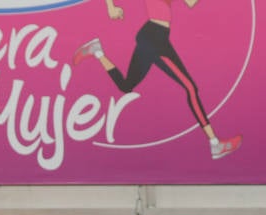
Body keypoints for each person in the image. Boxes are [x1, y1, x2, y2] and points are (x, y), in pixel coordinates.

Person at [73, 0, 241, 160]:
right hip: (155, 39)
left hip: (152, 37)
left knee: (126, 86)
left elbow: (190, 2)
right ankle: (215, 144)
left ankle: (97, 51)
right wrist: (111, 7)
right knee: (190, 88)